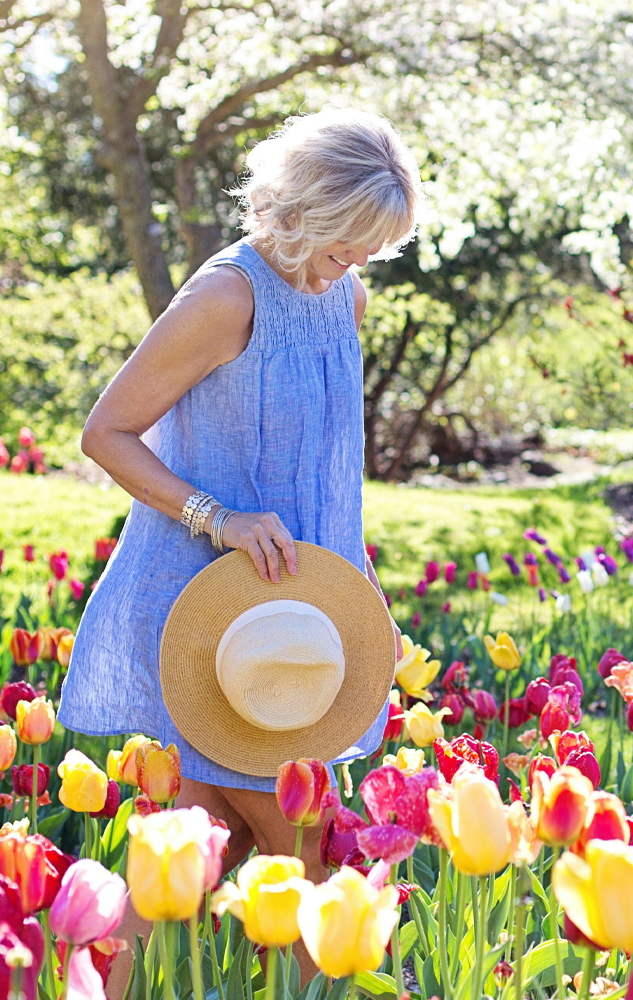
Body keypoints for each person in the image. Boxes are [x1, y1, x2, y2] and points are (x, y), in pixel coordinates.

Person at [57, 107, 423, 996]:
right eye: (350, 243)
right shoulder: (225, 297)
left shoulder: (345, 293)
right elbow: (106, 434)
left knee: (194, 832)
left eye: (378, 246)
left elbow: (319, 461)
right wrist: (220, 518)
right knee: (305, 841)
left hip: (300, 611)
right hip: (217, 615)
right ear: (301, 214)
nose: (362, 264)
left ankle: (65, 984)